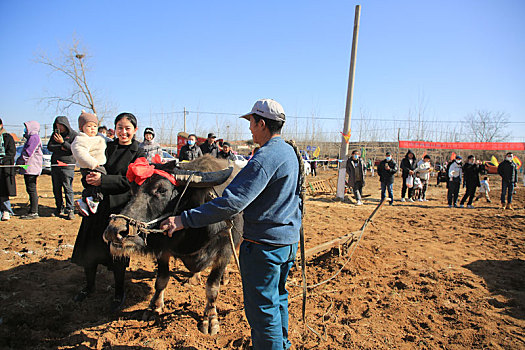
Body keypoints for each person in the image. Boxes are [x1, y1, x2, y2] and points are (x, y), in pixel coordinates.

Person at [160, 99, 300, 350]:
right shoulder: (289, 151)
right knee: (278, 300)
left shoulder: (264, 158)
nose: (250, 129)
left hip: (264, 246)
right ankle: (282, 345)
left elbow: (232, 203)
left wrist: (184, 219)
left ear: (262, 123)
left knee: (263, 311)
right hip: (287, 242)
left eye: (252, 123)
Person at [71, 112, 144, 311]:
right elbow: (88, 163)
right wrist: (89, 179)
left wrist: (103, 180)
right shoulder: (105, 146)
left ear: (134, 130)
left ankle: (119, 291)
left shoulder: (139, 152)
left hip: (120, 209)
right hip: (98, 204)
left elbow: (131, 181)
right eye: (120, 127)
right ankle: (89, 286)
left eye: (127, 128)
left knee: (118, 252)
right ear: (114, 129)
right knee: (91, 247)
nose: (123, 132)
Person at [71, 111, 107, 216]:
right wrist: (92, 163)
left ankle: (84, 200)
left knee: (91, 185)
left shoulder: (98, 138)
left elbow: (106, 141)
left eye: (95, 126)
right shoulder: (81, 139)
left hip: (96, 165)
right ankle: (94, 200)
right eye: (89, 126)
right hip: (92, 166)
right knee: (102, 181)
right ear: (81, 128)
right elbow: (79, 153)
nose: (92, 128)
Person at [47, 116, 77, 220]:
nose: (58, 127)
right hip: (55, 164)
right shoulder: (55, 134)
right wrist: (61, 147)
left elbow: (73, 149)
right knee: (56, 188)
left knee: (67, 188)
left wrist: (63, 143)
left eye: (60, 125)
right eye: (57, 125)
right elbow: (49, 147)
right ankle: (59, 208)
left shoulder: (73, 135)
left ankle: (70, 209)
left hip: (67, 165)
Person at [16, 121, 43, 219]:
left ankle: (34, 212)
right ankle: (32, 210)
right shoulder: (31, 138)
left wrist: (19, 162)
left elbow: (28, 153)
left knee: (32, 189)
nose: (25, 130)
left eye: (26, 128)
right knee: (30, 189)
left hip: (32, 168)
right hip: (29, 168)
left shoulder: (34, 137)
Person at [0, 118, 16, 221]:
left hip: (5, 168)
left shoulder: (8, 137)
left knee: (3, 191)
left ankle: (6, 211)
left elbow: (12, 152)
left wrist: (2, 159)